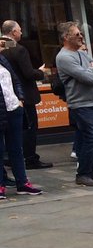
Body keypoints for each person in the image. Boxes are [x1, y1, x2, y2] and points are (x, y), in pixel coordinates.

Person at [56, 21, 93, 187]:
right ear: (66, 37)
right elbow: (90, 78)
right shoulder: (64, 57)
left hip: (91, 101)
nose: (81, 36)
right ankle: (83, 174)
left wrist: (92, 70)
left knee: (91, 138)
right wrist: (92, 71)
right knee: (91, 138)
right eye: (77, 33)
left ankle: (90, 170)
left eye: (80, 33)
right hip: (79, 104)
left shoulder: (81, 54)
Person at [1, 20, 50, 171]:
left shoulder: (4, 47)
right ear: (13, 32)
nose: (21, 33)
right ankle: (30, 158)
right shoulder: (19, 49)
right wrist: (41, 72)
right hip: (24, 95)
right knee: (29, 127)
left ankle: (11, 156)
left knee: (12, 129)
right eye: (20, 30)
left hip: (8, 96)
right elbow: (28, 73)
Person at [0, 52, 42, 199]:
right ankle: (0, 186)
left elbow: (16, 80)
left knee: (16, 149)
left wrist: (20, 99)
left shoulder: (2, 59)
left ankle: (22, 183)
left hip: (13, 109)